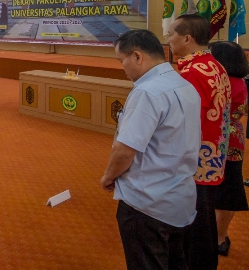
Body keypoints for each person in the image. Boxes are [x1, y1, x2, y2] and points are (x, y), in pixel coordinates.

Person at [101, 29, 201, 270]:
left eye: (121, 60)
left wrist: (108, 176)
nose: (122, 68)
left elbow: (125, 150)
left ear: (137, 56)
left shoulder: (147, 92)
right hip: (180, 198)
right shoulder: (183, 84)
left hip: (147, 205)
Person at [167, 14, 231, 270]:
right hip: (213, 156)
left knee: (194, 224)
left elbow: (182, 119)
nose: (168, 39)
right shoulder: (215, 64)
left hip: (196, 159)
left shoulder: (192, 72)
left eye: (171, 34)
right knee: (204, 218)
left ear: (186, 38)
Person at [209, 42, 249, 257]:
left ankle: (217, 236)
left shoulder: (222, 82)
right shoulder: (240, 82)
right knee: (230, 188)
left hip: (217, 139)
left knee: (220, 189)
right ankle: (220, 237)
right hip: (234, 138)